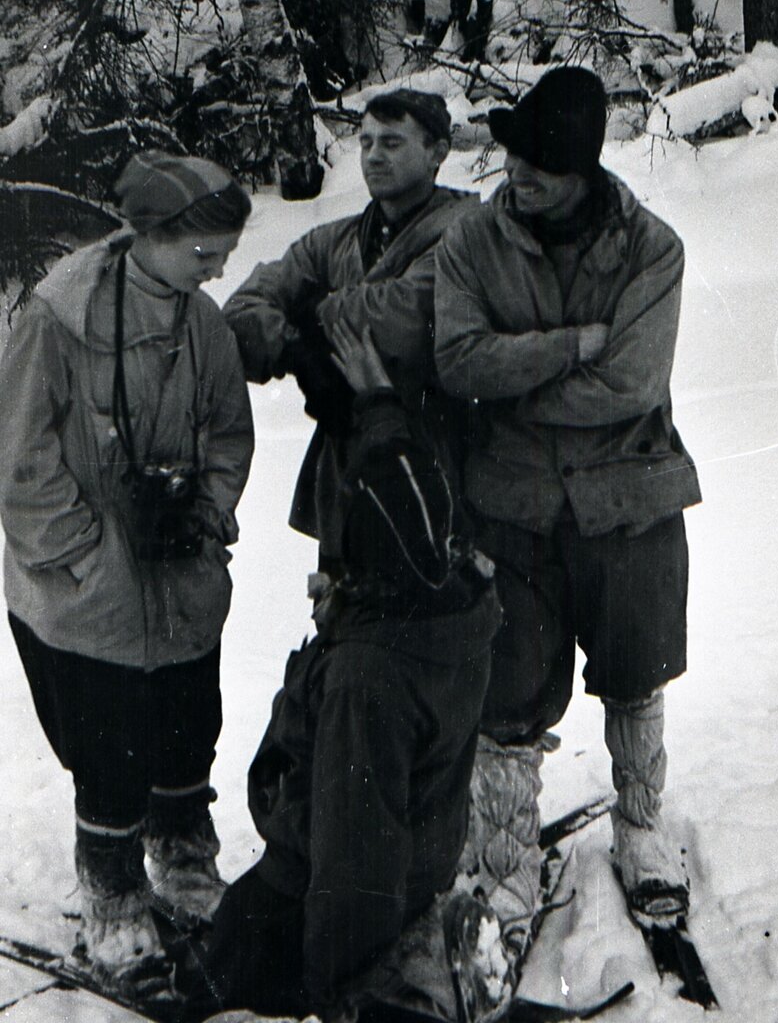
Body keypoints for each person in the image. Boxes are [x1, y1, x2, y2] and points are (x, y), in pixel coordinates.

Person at [434, 66, 702, 914]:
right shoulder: (470, 245)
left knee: (636, 667)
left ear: (584, 170)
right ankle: (505, 859)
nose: (517, 177)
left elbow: (630, 381)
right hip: (509, 504)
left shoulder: (651, 248)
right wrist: (567, 346)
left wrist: (516, 389)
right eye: (512, 158)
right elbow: (458, 362)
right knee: (506, 690)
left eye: (541, 167)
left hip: (628, 497)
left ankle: (643, 827)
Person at [193, 320, 503, 1023]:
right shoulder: (451, 594)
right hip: (420, 858)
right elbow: (401, 469)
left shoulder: (369, 676)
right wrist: (379, 401)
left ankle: (385, 985)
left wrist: (337, 993)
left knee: (234, 942)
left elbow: (354, 857)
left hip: (338, 885)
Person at [0, 151, 254, 989]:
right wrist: (83, 555)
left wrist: (207, 517)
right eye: (203, 252)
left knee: (188, 719)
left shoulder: (201, 321)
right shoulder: (58, 318)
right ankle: (111, 902)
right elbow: (21, 460)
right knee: (108, 749)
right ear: (151, 235)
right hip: (84, 587)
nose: (218, 269)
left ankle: (183, 862)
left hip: (178, 573)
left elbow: (226, 431)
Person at [221, 87, 476, 569]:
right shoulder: (336, 240)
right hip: (348, 470)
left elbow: (402, 321)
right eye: (365, 142)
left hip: (441, 465)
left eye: (393, 143)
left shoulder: (468, 235)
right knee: (345, 619)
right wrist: (298, 349)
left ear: (437, 152)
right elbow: (240, 312)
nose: (374, 156)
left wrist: (308, 311)